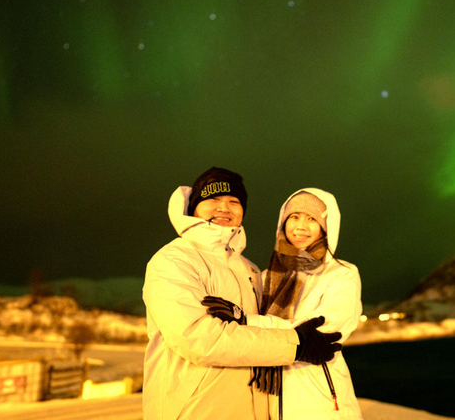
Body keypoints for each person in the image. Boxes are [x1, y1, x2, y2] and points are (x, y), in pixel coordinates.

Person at [143, 168, 341, 420]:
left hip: (252, 408)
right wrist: (296, 345)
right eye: (213, 199)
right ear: (193, 207)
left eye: (233, 201)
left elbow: (259, 330)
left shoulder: (249, 269)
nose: (224, 208)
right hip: (196, 410)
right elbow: (198, 339)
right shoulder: (173, 260)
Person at [204, 188, 363, 419]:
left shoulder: (341, 274)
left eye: (312, 219)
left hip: (320, 401)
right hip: (269, 399)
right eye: (294, 217)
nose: (300, 226)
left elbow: (324, 330)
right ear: (282, 223)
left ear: (326, 227)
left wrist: (248, 321)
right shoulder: (268, 276)